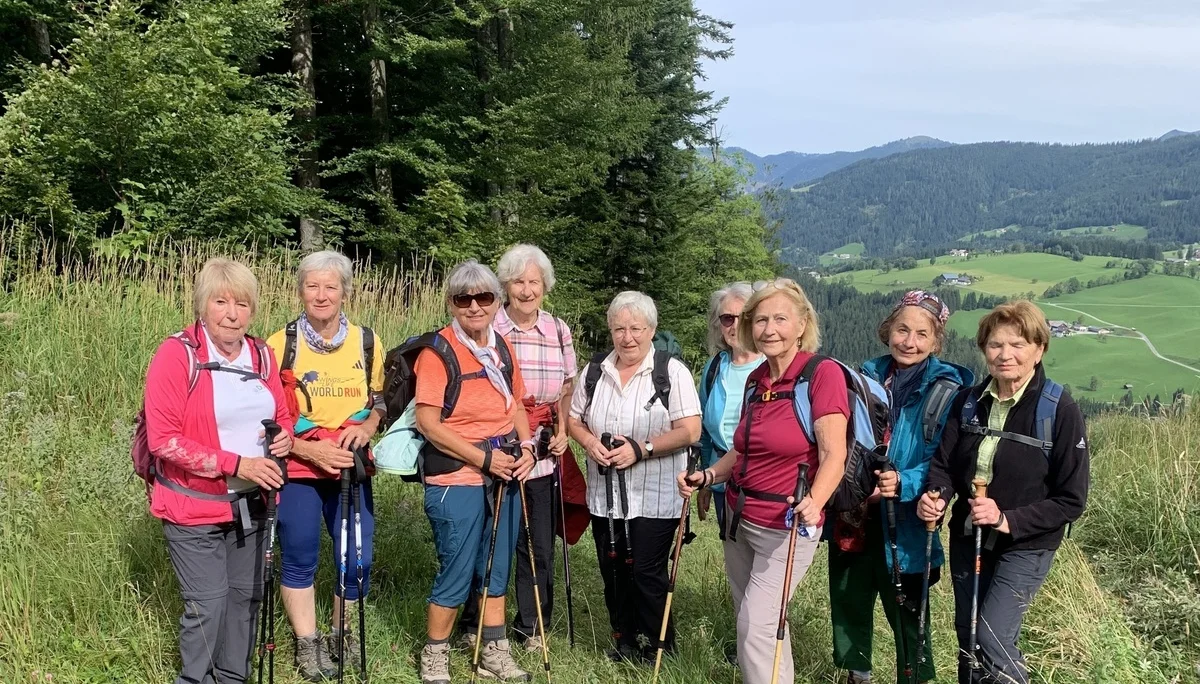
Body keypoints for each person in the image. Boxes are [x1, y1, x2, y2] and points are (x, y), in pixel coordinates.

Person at [678, 277, 849, 684]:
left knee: (755, 626)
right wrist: (708, 476)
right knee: (760, 622)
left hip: (786, 524)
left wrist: (817, 501)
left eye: (780, 319)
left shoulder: (820, 375)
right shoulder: (758, 379)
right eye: (760, 320)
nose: (768, 329)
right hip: (739, 518)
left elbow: (834, 454)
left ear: (803, 324)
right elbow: (743, 449)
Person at [917, 300, 1089, 684]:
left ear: (1039, 348)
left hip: (1026, 544)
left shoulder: (1057, 409)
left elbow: (1072, 498)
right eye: (995, 345)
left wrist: (1005, 518)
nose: (1004, 354)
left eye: (1017, 344)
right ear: (984, 350)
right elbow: (943, 466)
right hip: (969, 535)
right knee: (968, 637)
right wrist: (936, 496)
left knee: (992, 636)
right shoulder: (967, 403)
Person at [143, 257, 293, 684]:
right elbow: (164, 440)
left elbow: (281, 414)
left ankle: (232, 678)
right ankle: (194, 679)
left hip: (252, 506)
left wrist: (283, 437)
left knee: (245, 600)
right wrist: (236, 463)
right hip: (193, 507)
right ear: (202, 305)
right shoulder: (177, 355)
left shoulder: (262, 353)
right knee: (207, 605)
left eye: (242, 304)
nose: (232, 313)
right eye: (221, 301)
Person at [830, 291, 974, 684]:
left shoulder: (948, 390)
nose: (909, 342)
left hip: (908, 519)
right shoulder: (864, 376)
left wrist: (903, 482)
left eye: (922, 334)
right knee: (850, 600)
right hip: (854, 512)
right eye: (902, 330)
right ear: (887, 331)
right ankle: (857, 674)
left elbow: (946, 458)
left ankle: (914, 677)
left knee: (910, 612)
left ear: (936, 341)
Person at [456, 244, 590, 651]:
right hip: (497, 445)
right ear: (505, 287)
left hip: (545, 449)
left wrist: (564, 428)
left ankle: (532, 626)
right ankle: (474, 622)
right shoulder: (487, 325)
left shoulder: (558, 329)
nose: (527, 290)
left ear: (544, 286)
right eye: (518, 282)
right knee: (488, 538)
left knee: (539, 542)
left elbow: (566, 388)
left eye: (534, 282)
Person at [415, 260, 537, 684]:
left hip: (503, 470)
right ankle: (436, 656)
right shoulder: (438, 352)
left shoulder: (501, 348)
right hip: (456, 478)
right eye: (463, 298)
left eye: (483, 297)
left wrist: (526, 447)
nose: (473, 306)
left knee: (497, 565)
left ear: (496, 302)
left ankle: (494, 649)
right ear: (451, 303)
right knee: (458, 567)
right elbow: (429, 424)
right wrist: (484, 459)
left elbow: (516, 406)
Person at [266, 251, 386, 681]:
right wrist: (307, 449)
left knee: (357, 556)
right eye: (312, 286)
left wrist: (371, 423)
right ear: (300, 290)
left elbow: (379, 399)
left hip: (350, 465)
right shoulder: (279, 344)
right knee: (298, 553)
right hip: (299, 464)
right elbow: (268, 411)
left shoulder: (367, 340)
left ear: (345, 292)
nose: (321, 295)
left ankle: (342, 634)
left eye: (330, 286)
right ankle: (307, 644)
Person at [567, 291, 702, 663]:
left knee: (645, 572)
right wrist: (590, 443)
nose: (628, 337)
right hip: (605, 496)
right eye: (619, 329)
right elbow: (573, 419)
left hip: (655, 497)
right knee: (612, 570)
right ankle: (624, 640)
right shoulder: (595, 370)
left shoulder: (670, 371)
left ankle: (660, 648)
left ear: (652, 330)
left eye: (636, 329)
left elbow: (690, 430)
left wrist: (641, 449)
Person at [698, 282, 765, 542]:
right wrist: (706, 477)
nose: (735, 325)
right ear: (718, 324)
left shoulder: (771, 366)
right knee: (733, 552)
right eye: (727, 318)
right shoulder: (714, 368)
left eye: (743, 317)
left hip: (761, 483)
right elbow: (704, 431)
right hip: (721, 483)